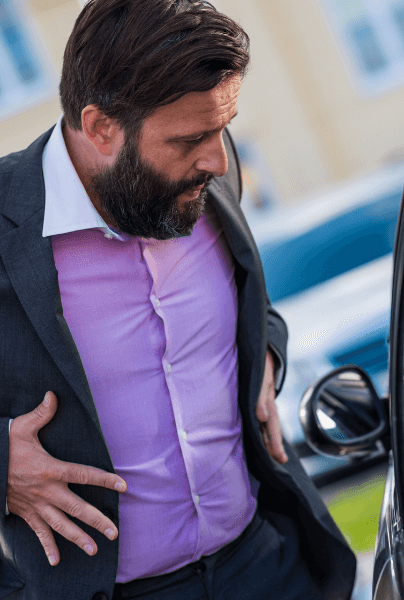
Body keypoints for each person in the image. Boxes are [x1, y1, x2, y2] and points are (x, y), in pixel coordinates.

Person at [0, 1, 356, 598]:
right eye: (190, 139)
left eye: (224, 127)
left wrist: (262, 354)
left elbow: (251, 311)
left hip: (269, 564)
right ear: (100, 127)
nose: (217, 160)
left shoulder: (208, 168)